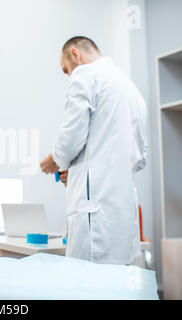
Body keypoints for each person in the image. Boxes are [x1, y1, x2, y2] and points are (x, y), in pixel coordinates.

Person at [40, 36, 148, 265]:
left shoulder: (86, 74)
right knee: (117, 287)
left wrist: (55, 160)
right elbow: (138, 158)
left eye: (66, 69)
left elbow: (71, 138)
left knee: (87, 286)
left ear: (75, 53)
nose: (69, 75)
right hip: (122, 212)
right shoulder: (131, 89)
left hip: (94, 214)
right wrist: (83, 170)